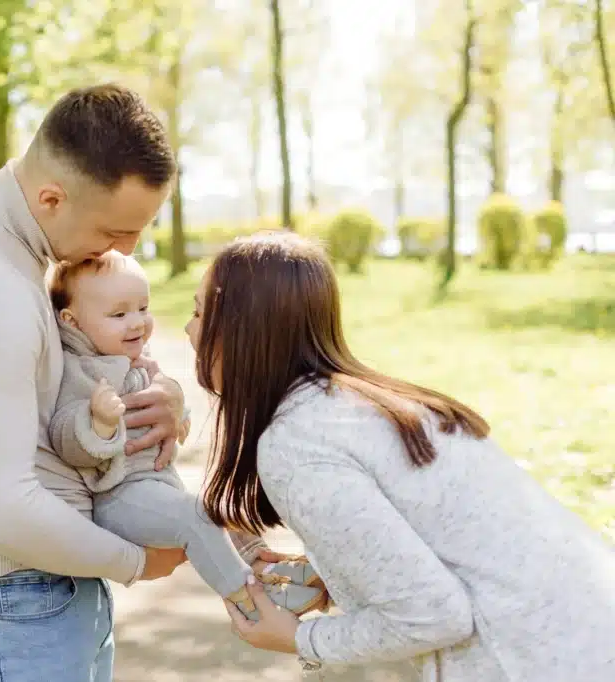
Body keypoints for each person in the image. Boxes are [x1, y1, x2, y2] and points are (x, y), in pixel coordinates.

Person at [0, 84, 215, 681]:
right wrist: (139, 562)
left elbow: (74, 384)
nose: (126, 250)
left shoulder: (22, 256)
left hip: (34, 598)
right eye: (115, 232)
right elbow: (0, 510)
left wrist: (166, 403)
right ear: (51, 197)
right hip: (6, 605)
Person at [183, 232, 615, 681]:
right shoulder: (356, 406)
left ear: (241, 331)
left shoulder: (296, 445)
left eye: (198, 312)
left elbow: (434, 616)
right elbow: (443, 541)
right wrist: (332, 571)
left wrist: (299, 639)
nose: (188, 329)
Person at [47, 251, 329, 618]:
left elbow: (169, 412)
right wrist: (98, 422)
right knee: (195, 517)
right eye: (119, 314)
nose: (137, 324)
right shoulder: (81, 372)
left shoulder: (134, 359)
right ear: (73, 321)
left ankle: (272, 570)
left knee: (220, 514)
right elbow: (65, 437)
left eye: (143, 308)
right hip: (117, 498)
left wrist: (178, 413)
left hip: (157, 486)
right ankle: (251, 602)